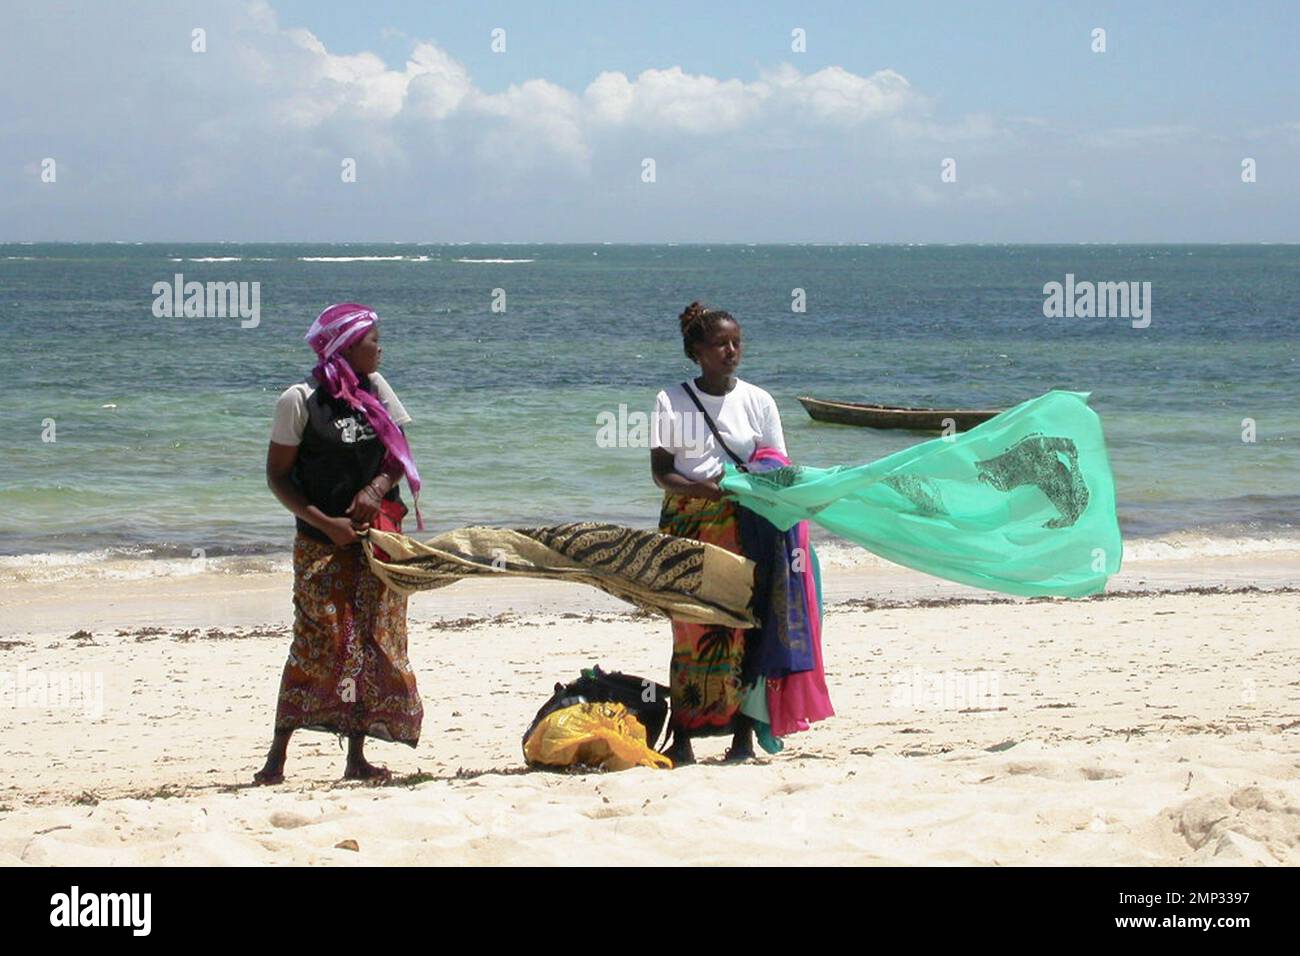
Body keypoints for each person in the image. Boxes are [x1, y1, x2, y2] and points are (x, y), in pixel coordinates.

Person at [253, 303, 424, 784]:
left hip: (377, 540)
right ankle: (277, 756)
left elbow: (399, 453)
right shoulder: (299, 400)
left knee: (373, 641)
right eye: (373, 340)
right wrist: (324, 523)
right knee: (318, 640)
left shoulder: (377, 389)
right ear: (345, 347)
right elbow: (278, 477)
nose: (380, 348)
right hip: (320, 543)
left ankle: (356, 758)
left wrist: (374, 492)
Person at [650, 301, 787, 765]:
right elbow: (662, 473)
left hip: (744, 527)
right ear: (696, 352)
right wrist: (701, 490)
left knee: (742, 627)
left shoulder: (759, 401)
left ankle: (742, 739)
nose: (731, 351)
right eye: (720, 344)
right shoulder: (670, 400)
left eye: (736, 342)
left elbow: (777, 468)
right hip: (687, 528)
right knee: (688, 629)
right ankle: (684, 739)